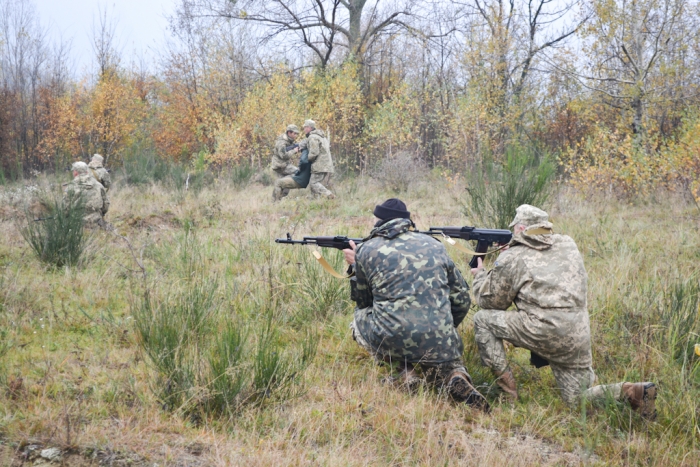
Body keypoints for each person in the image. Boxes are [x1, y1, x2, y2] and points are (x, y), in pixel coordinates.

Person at [470, 204, 657, 417]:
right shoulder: (568, 244)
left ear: (521, 229)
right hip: (577, 334)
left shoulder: (512, 257)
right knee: (578, 401)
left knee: (482, 320)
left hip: (543, 331)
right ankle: (632, 391)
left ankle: (508, 394)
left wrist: (481, 275)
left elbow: (491, 302)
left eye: (515, 230)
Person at [343, 198, 487, 408]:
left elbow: (364, 301)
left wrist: (356, 266)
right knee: (443, 354)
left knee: (359, 317)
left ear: (379, 222)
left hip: (392, 334)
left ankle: (404, 372)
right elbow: (462, 298)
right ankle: (455, 375)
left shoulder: (366, 250)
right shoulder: (435, 246)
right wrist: (443, 326)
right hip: (439, 336)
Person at [65, 161, 109, 227]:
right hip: (96, 222)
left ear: (75, 173)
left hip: (77, 224)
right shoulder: (98, 185)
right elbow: (106, 205)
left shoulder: (70, 187)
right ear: (87, 172)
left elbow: (65, 209)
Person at [271, 125, 301, 200]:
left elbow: (291, 147)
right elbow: (284, 156)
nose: (296, 135)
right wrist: (294, 151)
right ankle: (276, 199)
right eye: (294, 133)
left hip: (283, 164)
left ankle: (275, 200)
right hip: (280, 165)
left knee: (283, 185)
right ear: (289, 133)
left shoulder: (288, 140)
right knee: (297, 172)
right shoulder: (281, 143)